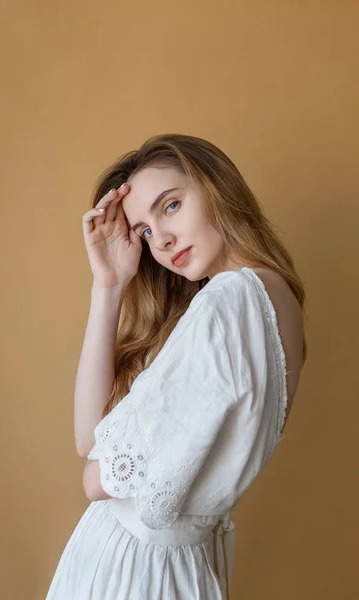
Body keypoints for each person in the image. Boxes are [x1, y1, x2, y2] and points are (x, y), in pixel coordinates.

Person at [45, 133, 306, 599]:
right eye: (143, 230)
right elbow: (92, 439)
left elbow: (97, 476)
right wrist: (108, 286)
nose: (160, 239)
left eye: (170, 206)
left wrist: (103, 468)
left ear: (216, 187)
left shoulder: (227, 304)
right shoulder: (274, 298)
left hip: (134, 571)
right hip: (180, 565)